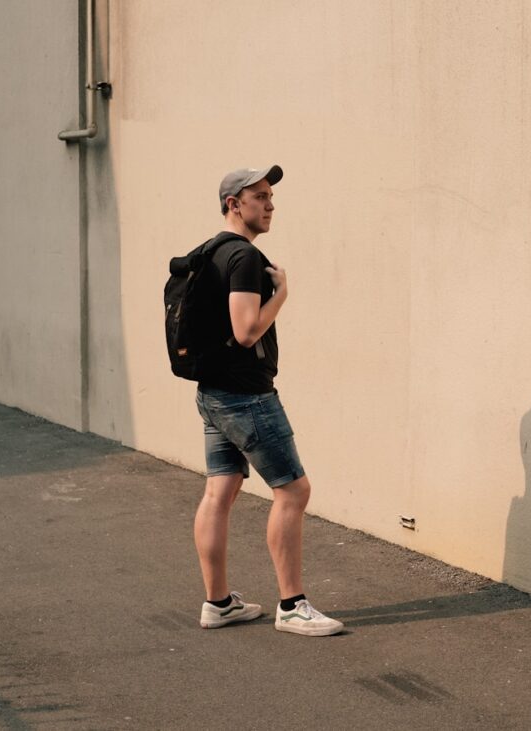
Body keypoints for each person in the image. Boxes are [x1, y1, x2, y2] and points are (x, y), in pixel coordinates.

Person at [191, 165, 344, 637]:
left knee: (220, 491)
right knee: (293, 492)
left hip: (212, 393)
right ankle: (292, 605)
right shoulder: (243, 259)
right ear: (234, 204)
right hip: (245, 397)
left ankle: (218, 603)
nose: (270, 204)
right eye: (259, 196)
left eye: (271, 195)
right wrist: (281, 293)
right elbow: (246, 330)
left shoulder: (207, 253)